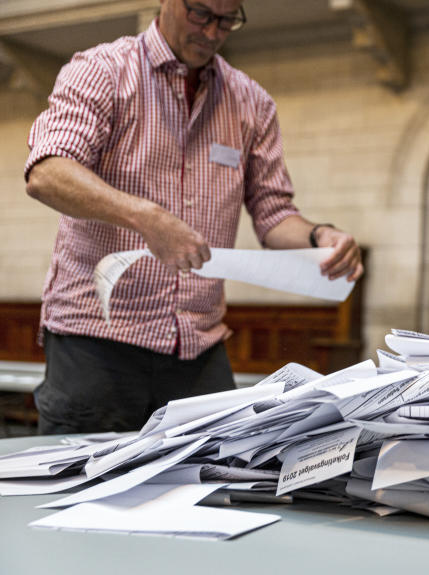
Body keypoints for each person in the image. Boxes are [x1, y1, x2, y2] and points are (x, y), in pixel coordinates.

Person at [24, 0, 363, 435]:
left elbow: (274, 214)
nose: (213, 32)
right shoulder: (103, 70)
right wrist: (145, 217)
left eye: (227, 20)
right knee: (80, 494)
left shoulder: (251, 102)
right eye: (201, 13)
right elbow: (47, 173)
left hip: (197, 347)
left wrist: (321, 236)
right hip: (97, 339)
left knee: (211, 490)